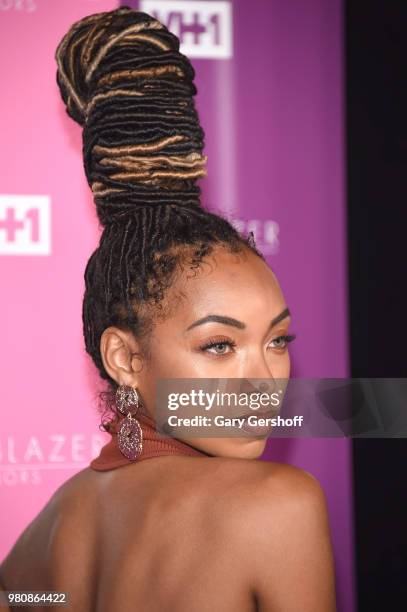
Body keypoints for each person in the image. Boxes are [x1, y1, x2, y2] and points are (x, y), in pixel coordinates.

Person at [0, 6, 336, 611]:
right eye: (219, 345)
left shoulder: (52, 528)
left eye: (278, 342)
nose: (262, 384)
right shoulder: (278, 505)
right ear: (123, 356)